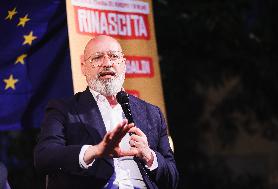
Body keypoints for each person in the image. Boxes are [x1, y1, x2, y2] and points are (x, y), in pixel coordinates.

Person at [34, 35, 178, 189]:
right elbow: (44, 157)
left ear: (123, 64)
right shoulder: (63, 109)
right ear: (83, 66)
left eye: (114, 56)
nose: (107, 63)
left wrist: (149, 156)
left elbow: (172, 179)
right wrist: (95, 151)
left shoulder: (152, 113)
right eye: (97, 58)